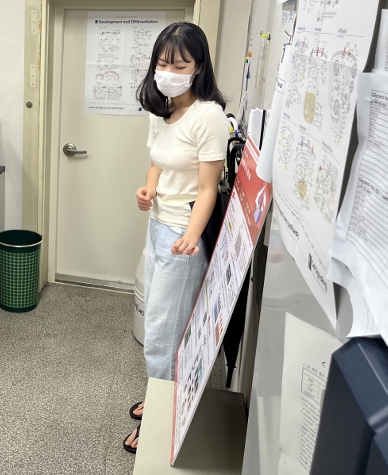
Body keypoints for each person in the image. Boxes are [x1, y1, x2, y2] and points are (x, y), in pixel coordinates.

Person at [124, 22, 228, 454]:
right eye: (162, 63)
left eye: (179, 65)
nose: (168, 72)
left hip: (183, 235)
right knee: (158, 321)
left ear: (198, 67)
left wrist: (191, 235)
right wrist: (148, 190)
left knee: (164, 334)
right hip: (159, 225)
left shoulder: (209, 116)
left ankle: (160, 424)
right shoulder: (162, 109)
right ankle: (160, 398)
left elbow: (208, 188)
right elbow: (157, 163)